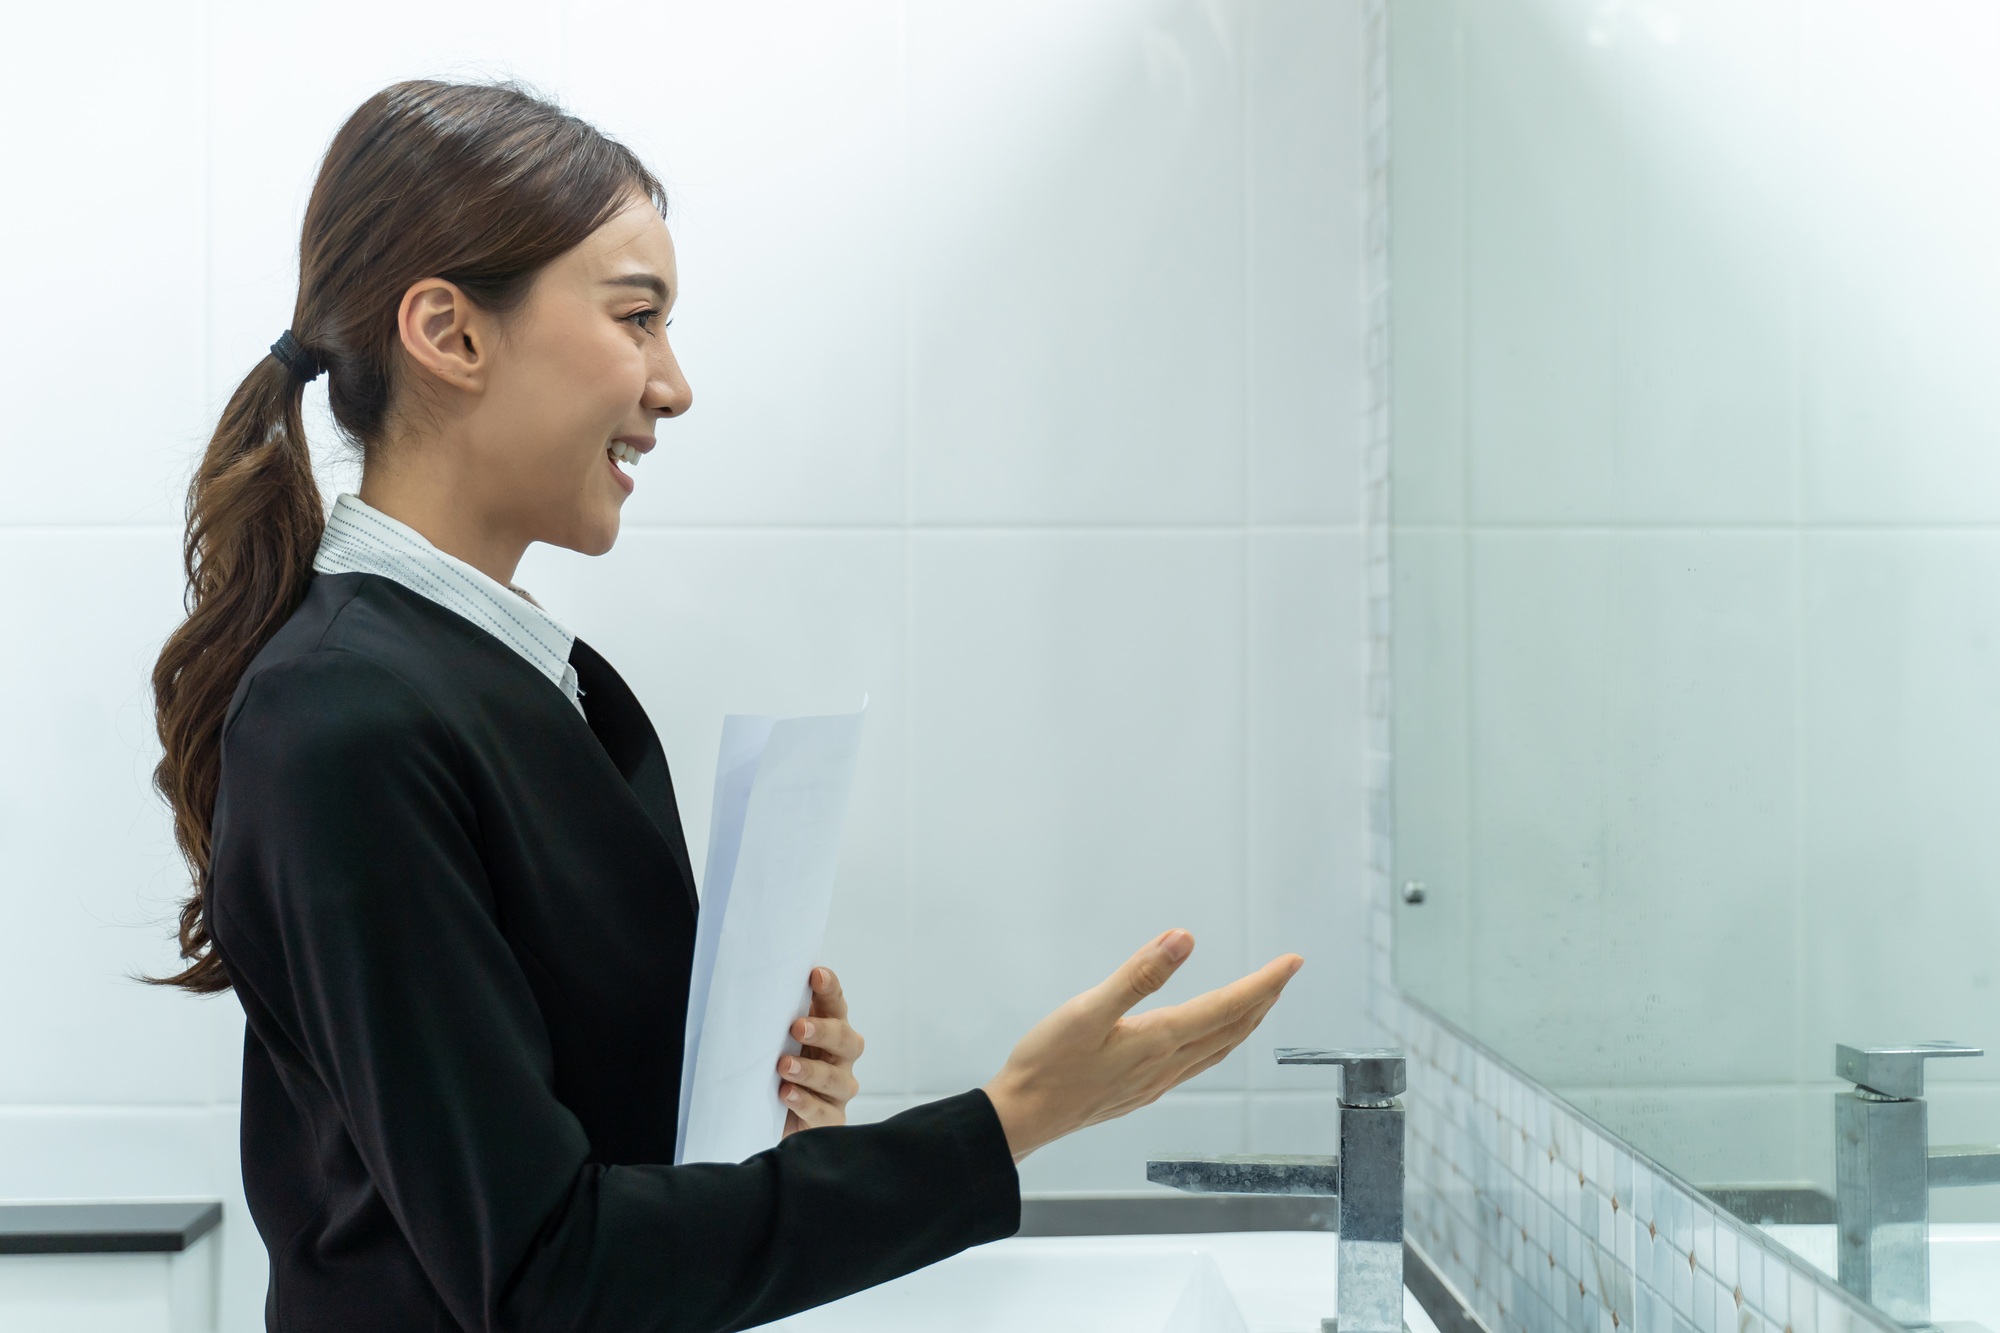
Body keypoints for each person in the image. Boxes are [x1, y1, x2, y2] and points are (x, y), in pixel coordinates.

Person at [148, 79, 1304, 1333]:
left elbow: (567, 1163)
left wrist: (753, 1101)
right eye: (635, 318)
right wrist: (1011, 1118)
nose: (673, 385)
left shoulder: (527, 685)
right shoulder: (347, 721)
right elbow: (549, 1272)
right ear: (450, 332)